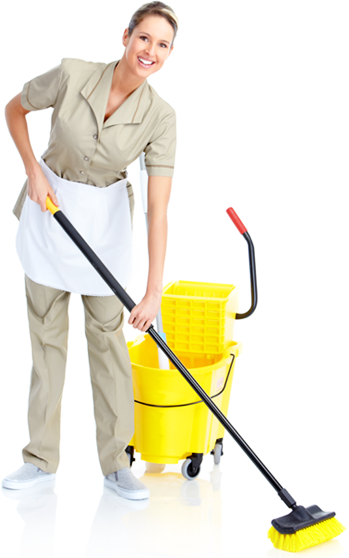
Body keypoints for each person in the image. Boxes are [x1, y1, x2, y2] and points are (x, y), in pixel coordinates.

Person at [2, 1, 178, 501]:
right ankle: (39, 460)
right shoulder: (71, 74)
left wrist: (152, 291)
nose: (151, 51)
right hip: (49, 216)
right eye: (144, 38)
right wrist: (33, 170)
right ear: (125, 36)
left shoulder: (160, 117)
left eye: (163, 45)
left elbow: (157, 211)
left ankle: (117, 464)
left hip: (103, 234)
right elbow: (14, 108)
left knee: (108, 347)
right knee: (47, 345)